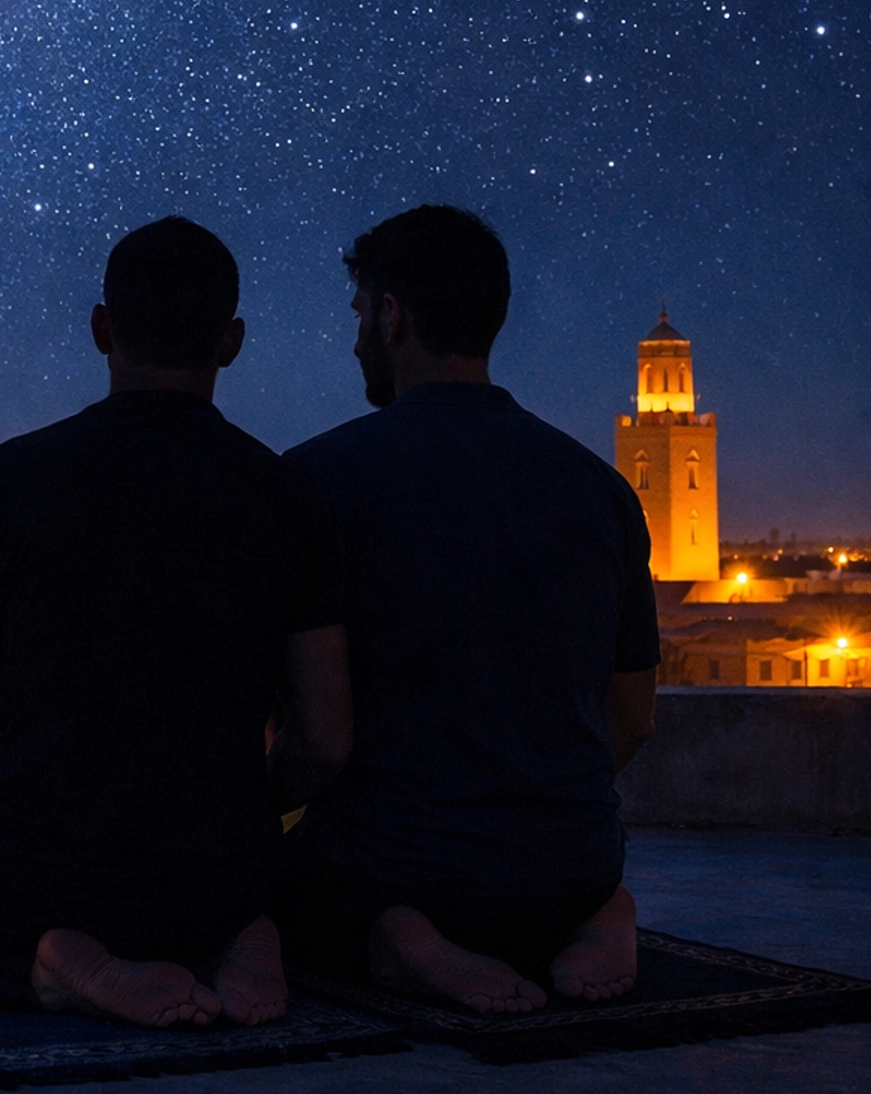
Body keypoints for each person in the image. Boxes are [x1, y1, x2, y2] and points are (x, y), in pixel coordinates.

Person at [0, 217, 351, 1030]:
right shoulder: (286, 496)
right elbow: (325, 738)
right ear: (231, 342)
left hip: (42, 869)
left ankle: (51, 970)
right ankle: (238, 932)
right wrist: (237, 824)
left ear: (102, 329)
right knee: (267, 886)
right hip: (222, 867)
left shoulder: (5, 484)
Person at [278, 204, 659, 1015]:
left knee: (265, 897)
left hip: (397, 862)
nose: (353, 342)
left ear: (391, 316)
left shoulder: (321, 480)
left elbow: (320, 738)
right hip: (570, 862)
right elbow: (632, 718)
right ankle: (598, 914)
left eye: (357, 316)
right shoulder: (602, 491)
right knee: (552, 886)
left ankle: (402, 938)